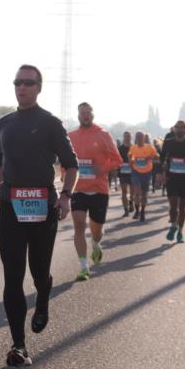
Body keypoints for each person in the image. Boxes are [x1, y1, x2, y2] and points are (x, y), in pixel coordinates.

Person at [0, 64, 77, 367]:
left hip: (42, 207)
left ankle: (43, 297)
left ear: (38, 87)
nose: (21, 87)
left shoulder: (50, 123)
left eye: (28, 83)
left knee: (38, 272)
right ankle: (18, 345)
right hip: (11, 207)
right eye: (17, 82)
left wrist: (65, 197)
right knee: (12, 276)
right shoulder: (4, 123)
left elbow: (71, 165)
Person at [68, 103, 123, 281]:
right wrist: (64, 173)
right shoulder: (71, 136)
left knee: (96, 230)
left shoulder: (103, 135)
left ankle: (96, 243)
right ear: (78, 116)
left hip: (99, 190)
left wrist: (103, 168)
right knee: (78, 226)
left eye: (88, 113)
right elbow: (65, 158)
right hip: (78, 189)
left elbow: (117, 160)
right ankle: (84, 266)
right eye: (82, 113)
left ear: (92, 115)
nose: (85, 116)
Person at [127, 131, 158, 222]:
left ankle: (143, 211)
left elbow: (157, 157)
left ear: (144, 138)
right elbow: (130, 155)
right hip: (136, 172)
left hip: (147, 173)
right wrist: (131, 160)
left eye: (141, 137)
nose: (139, 138)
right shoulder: (133, 147)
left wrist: (150, 158)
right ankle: (137, 211)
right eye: (137, 137)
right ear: (135, 138)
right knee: (137, 192)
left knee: (144, 194)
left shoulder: (149, 147)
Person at [117, 131, 133, 217]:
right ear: (123, 137)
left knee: (132, 191)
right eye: (126, 136)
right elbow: (117, 159)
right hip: (123, 172)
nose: (127, 138)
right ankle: (126, 209)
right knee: (124, 191)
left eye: (129, 136)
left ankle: (131, 202)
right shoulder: (120, 148)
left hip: (133, 172)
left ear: (131, 137)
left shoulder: (134, 148)